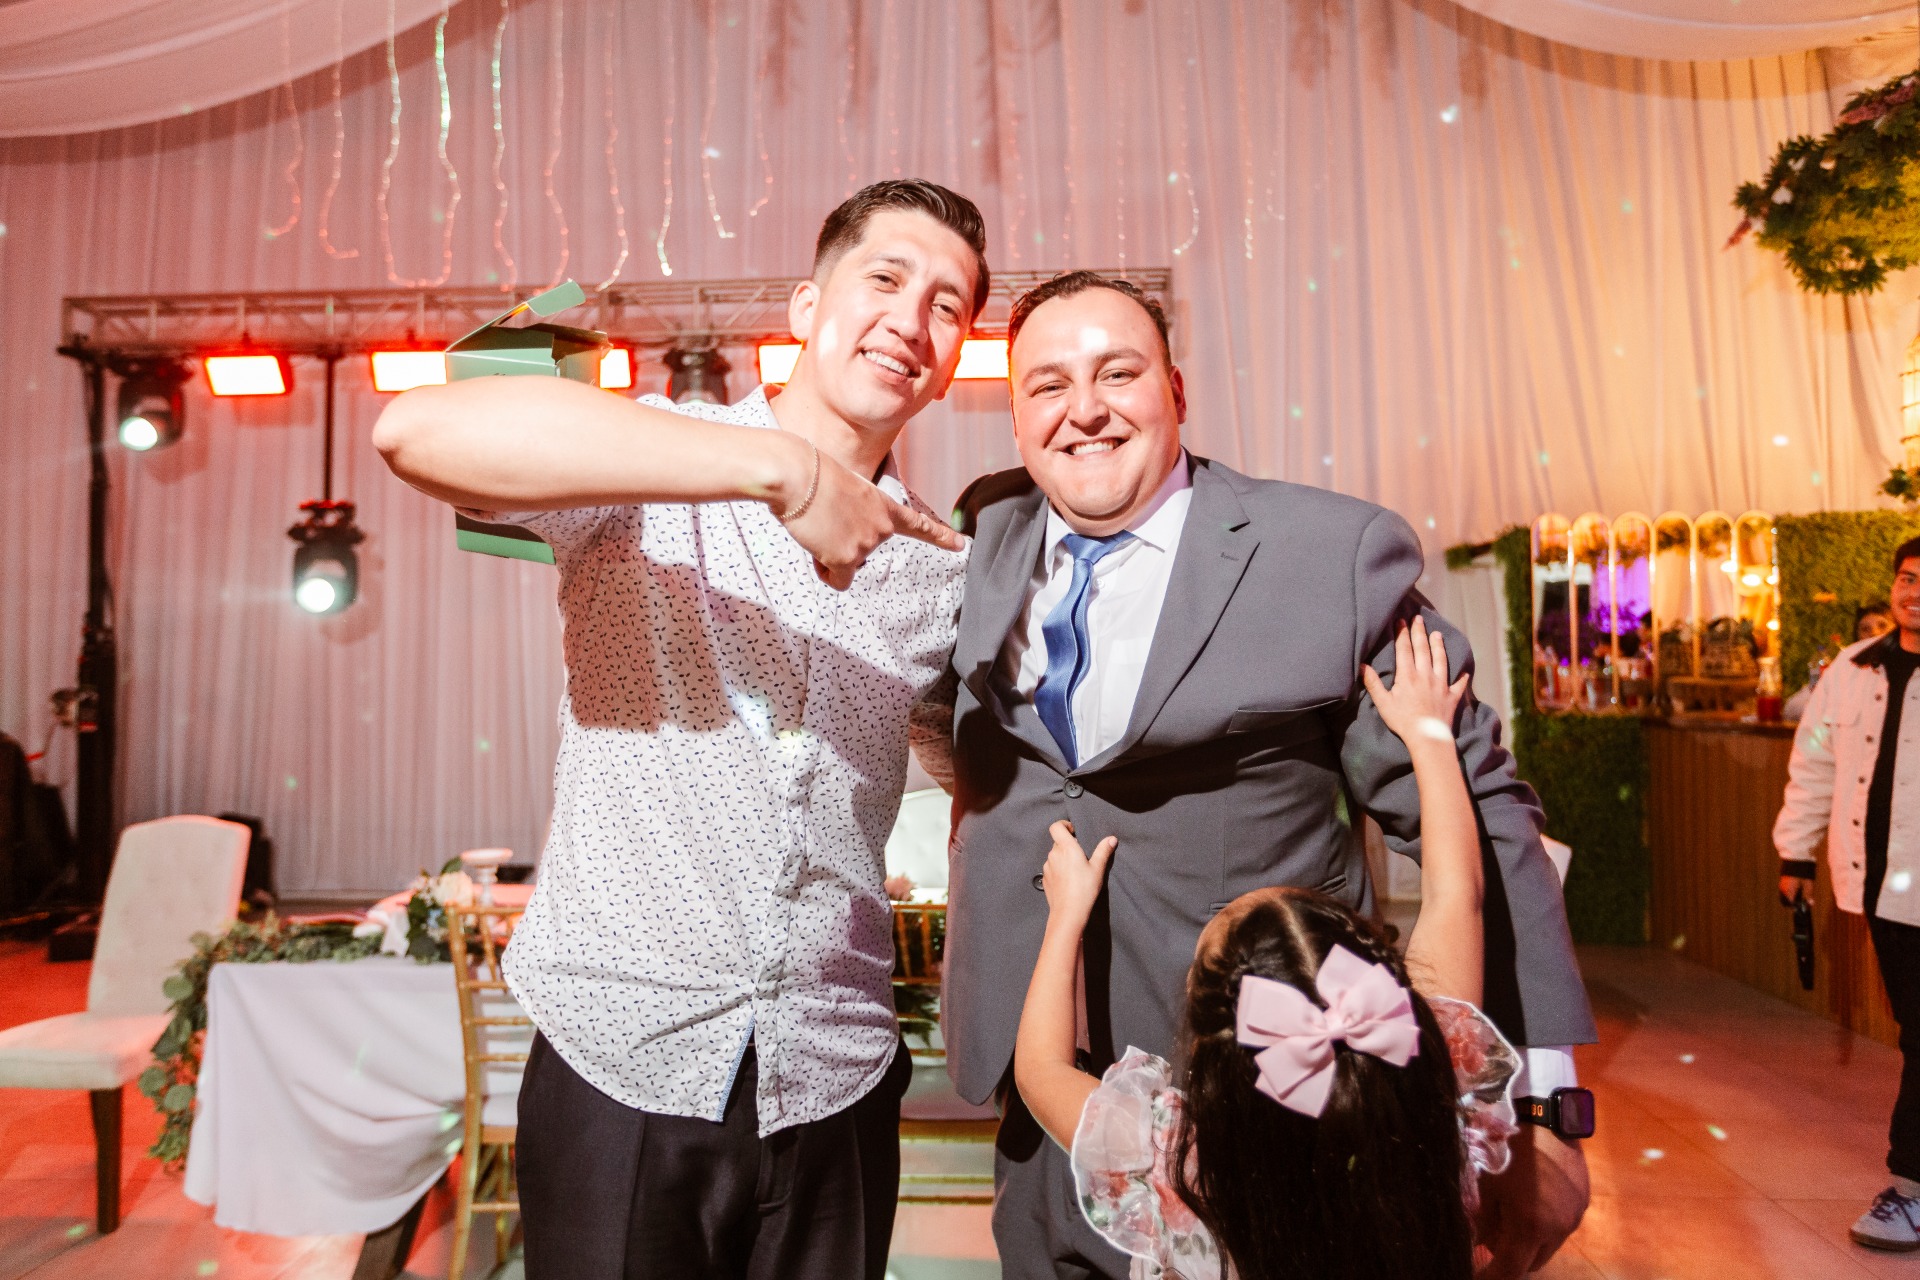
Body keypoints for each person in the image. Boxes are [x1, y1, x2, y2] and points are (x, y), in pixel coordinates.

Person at [915, 271, 1595, 1280]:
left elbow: (1479, 807)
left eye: (1118, 373)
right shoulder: (981, 537)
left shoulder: (1328, 553)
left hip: (1267, 1100)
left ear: (1177, 390)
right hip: (1041, 1075)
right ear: (1015, 414)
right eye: (1048, 384)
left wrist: (1540, 1102)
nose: (1084, 408)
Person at [373, 179, 980, 1279]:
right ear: (807, 308)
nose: (911, 318)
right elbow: (414, 429)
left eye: (948, 304)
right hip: (622, 1063)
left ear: (952, 361)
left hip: (834, 1075)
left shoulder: (938, 567)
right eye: (886, 279)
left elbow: (975, 771)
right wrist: (784, 471)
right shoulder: (649, 463)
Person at [1014, 618, 1518, 1279]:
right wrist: (1429, 735)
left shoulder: (1178, 1163)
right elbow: (1459, 896)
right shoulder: (1429, 1091)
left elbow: (1040, 1072)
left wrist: (1066, 917)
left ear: (1210, 1046)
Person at [1777, 538, 1920, 1252]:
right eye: (1908, 578)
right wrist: (1794, 853)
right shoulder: (1852, 668)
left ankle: (1910, 1187)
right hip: (1882, 889)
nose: (1914, 592)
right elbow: (1814, 764)